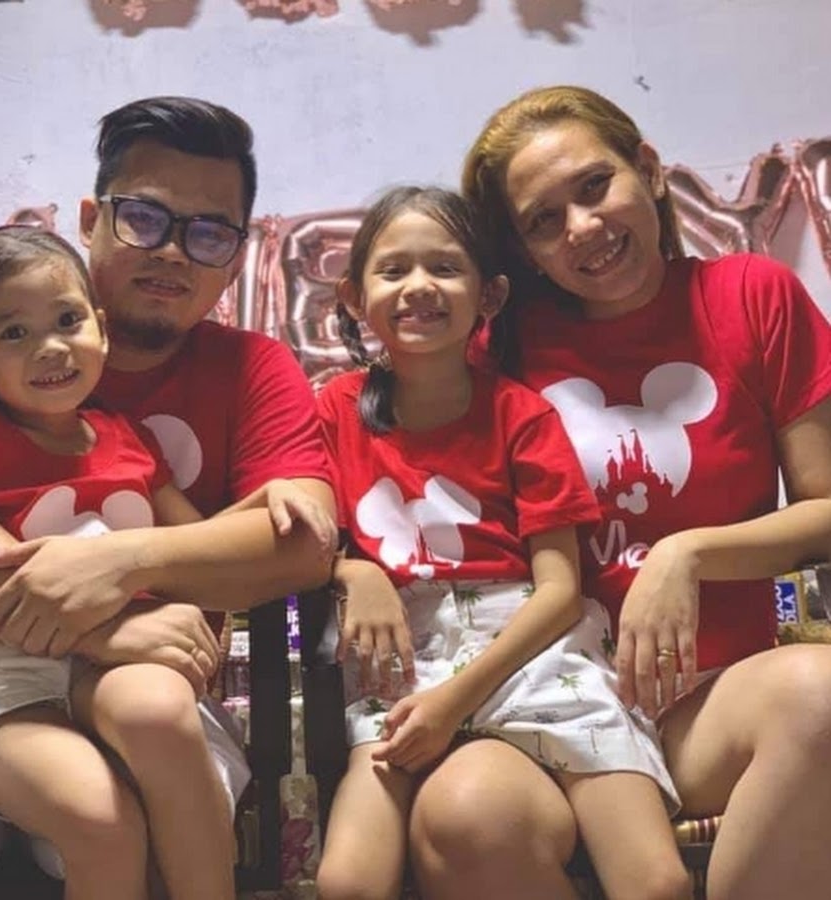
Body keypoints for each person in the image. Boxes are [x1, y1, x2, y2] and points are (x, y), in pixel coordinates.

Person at [0, 96, 335, 898]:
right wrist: (106, 623)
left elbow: (296, 546)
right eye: (145, 218)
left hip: (146, 692)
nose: (173, 252)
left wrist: (121, 562)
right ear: (93, 219)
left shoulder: (248, 371)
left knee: (139, 789)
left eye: (209, 233)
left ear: (236, 255)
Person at [461, 84, 831, 900]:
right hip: (550, 705)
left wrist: (686, 554)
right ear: (523, 252)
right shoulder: (499, 344)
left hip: (709, 703)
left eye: (595, 186)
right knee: (468, 815)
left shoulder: (751, 294)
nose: (581, 228)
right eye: (543, 221)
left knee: (823, 697)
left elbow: (825, 509)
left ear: (650, 170)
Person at [314, 186, 689, 900]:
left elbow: (560, 591)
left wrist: (457, 699)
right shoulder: (334, 411)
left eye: (445, 268)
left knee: (654, 881)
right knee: (346, 883)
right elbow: (293, 526)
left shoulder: (522, 415)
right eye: (393, 270)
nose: (419, 286)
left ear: (489, 295)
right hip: (404, 663)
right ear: (355, 297)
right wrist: (353, 573)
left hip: (534, 654)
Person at [0, 221, 248, 900]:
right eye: (14, 333)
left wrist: (272, 504)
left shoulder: (124, 438)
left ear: (100, 329)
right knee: (96, 816)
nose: (50, 347)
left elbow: (195, 546)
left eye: (67, 320)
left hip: (121, 664)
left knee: (160, 710)